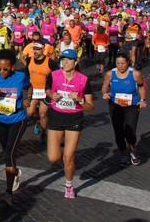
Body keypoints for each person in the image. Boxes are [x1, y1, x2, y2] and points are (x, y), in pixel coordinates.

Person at [0, 49, 31, 204]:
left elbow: (30, 86)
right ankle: (14, 172)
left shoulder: (20, 77)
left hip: (17, 119)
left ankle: (8, 192)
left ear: (12, 67)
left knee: (9, 154)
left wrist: (28, 97)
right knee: (7, 153)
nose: (2, 72)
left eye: (5, 69)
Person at [45, 49, 94, 199]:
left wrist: (80, 100)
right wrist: (52, 95)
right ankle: (66, 159)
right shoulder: (53, 75)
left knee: (68, 157)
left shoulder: (83, 80)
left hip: (74, 119)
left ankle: (69, 185)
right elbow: (46, 90)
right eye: (63, 59)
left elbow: (91, 108)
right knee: (53, 158)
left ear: (76, 62)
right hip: (56, 116)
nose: (65, 62)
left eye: (68, 59)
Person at [101, 53, 146, 166]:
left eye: (123, 63)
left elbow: (141, 86)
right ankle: (123, 153)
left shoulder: (135, 74)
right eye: (118, 63)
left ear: (128, 63)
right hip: (115, 106)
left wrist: (143, 100)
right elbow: (105, 86)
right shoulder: (110, 74)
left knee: (130, 132)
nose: (120, 66)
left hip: (132, 105)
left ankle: (132, 150)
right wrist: (105, 93)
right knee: (119, 132)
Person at [25, 42, 59, 142]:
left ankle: (43, 134)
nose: (35, 51)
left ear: (43, 49)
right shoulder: (29, 60)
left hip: (46, 92)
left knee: (43, 114)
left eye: (38, 49)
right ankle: (39, 122)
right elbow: (26, 75)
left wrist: (52, 90)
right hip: (34, 90)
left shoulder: (50, 62)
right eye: (34, 49)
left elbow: (57, 76)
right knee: (30, 113)